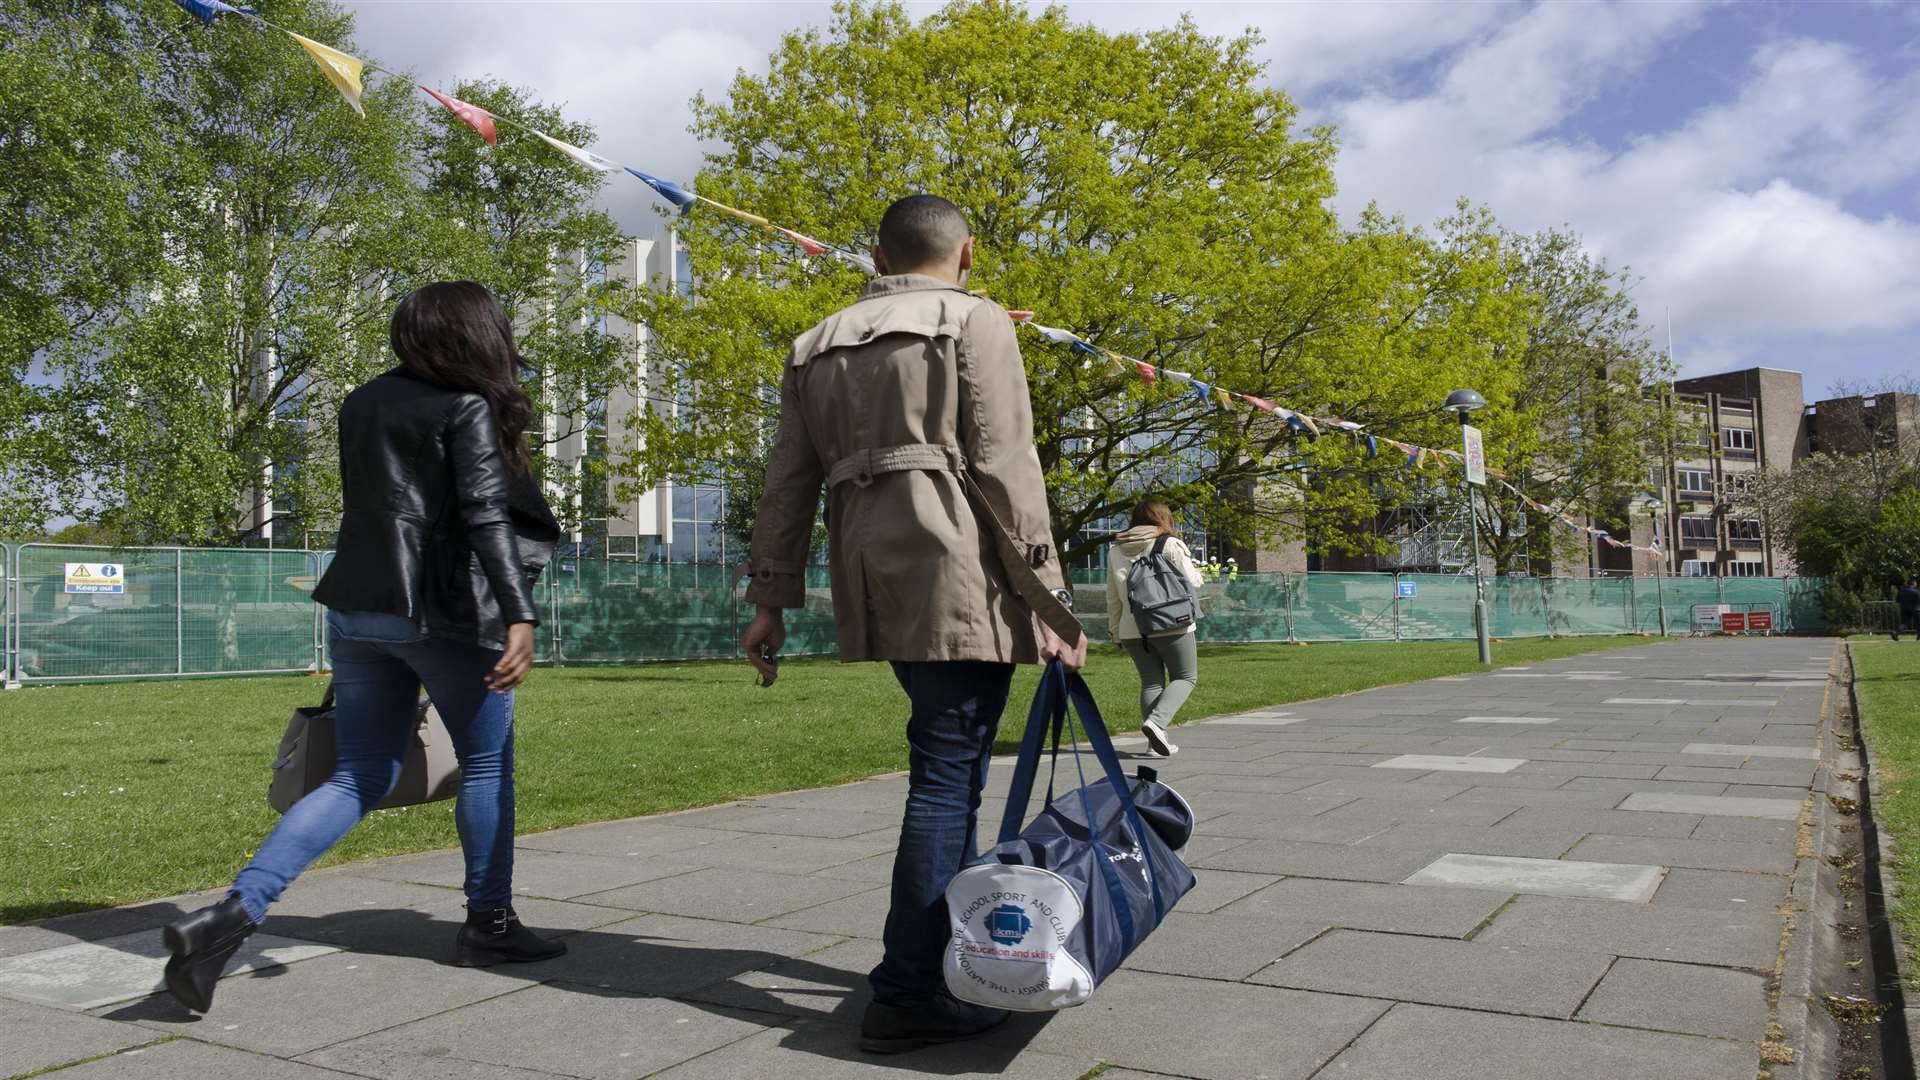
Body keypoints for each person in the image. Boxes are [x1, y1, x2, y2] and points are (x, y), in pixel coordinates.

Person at [740, 194, 1087, 1054]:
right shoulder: (974, 320)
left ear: (874, 252)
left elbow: (788, 478)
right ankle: (907, 989)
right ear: (966, 254)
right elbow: (1007, 463)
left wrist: (769, 598)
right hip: (958, 566)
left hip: (873, 572)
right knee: (946, 775)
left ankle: (922, 966)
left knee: (943, 763)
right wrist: (1050, 599)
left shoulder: (814, 342)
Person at [160, 282, 566, 1014]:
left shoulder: (363, 400)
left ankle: (228, 920)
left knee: (358, 776)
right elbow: (483, 516)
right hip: (439, 616)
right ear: (480, 336)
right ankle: (490, 925)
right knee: (485, 765)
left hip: (356, 609)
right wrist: (519, 613)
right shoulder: (468, 407)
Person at [1105, 501, 1205, 757]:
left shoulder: (1115, 550)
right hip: (1173, 622)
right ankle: (1157, 723)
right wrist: (1198, 571)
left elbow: (1113, 597)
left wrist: (1115, 631)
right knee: (1185, 677)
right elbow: (1193, 581)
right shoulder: (1170, 544)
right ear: (1164, 519)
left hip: (1132, 627)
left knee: (1151, 683)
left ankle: (1154, 744)